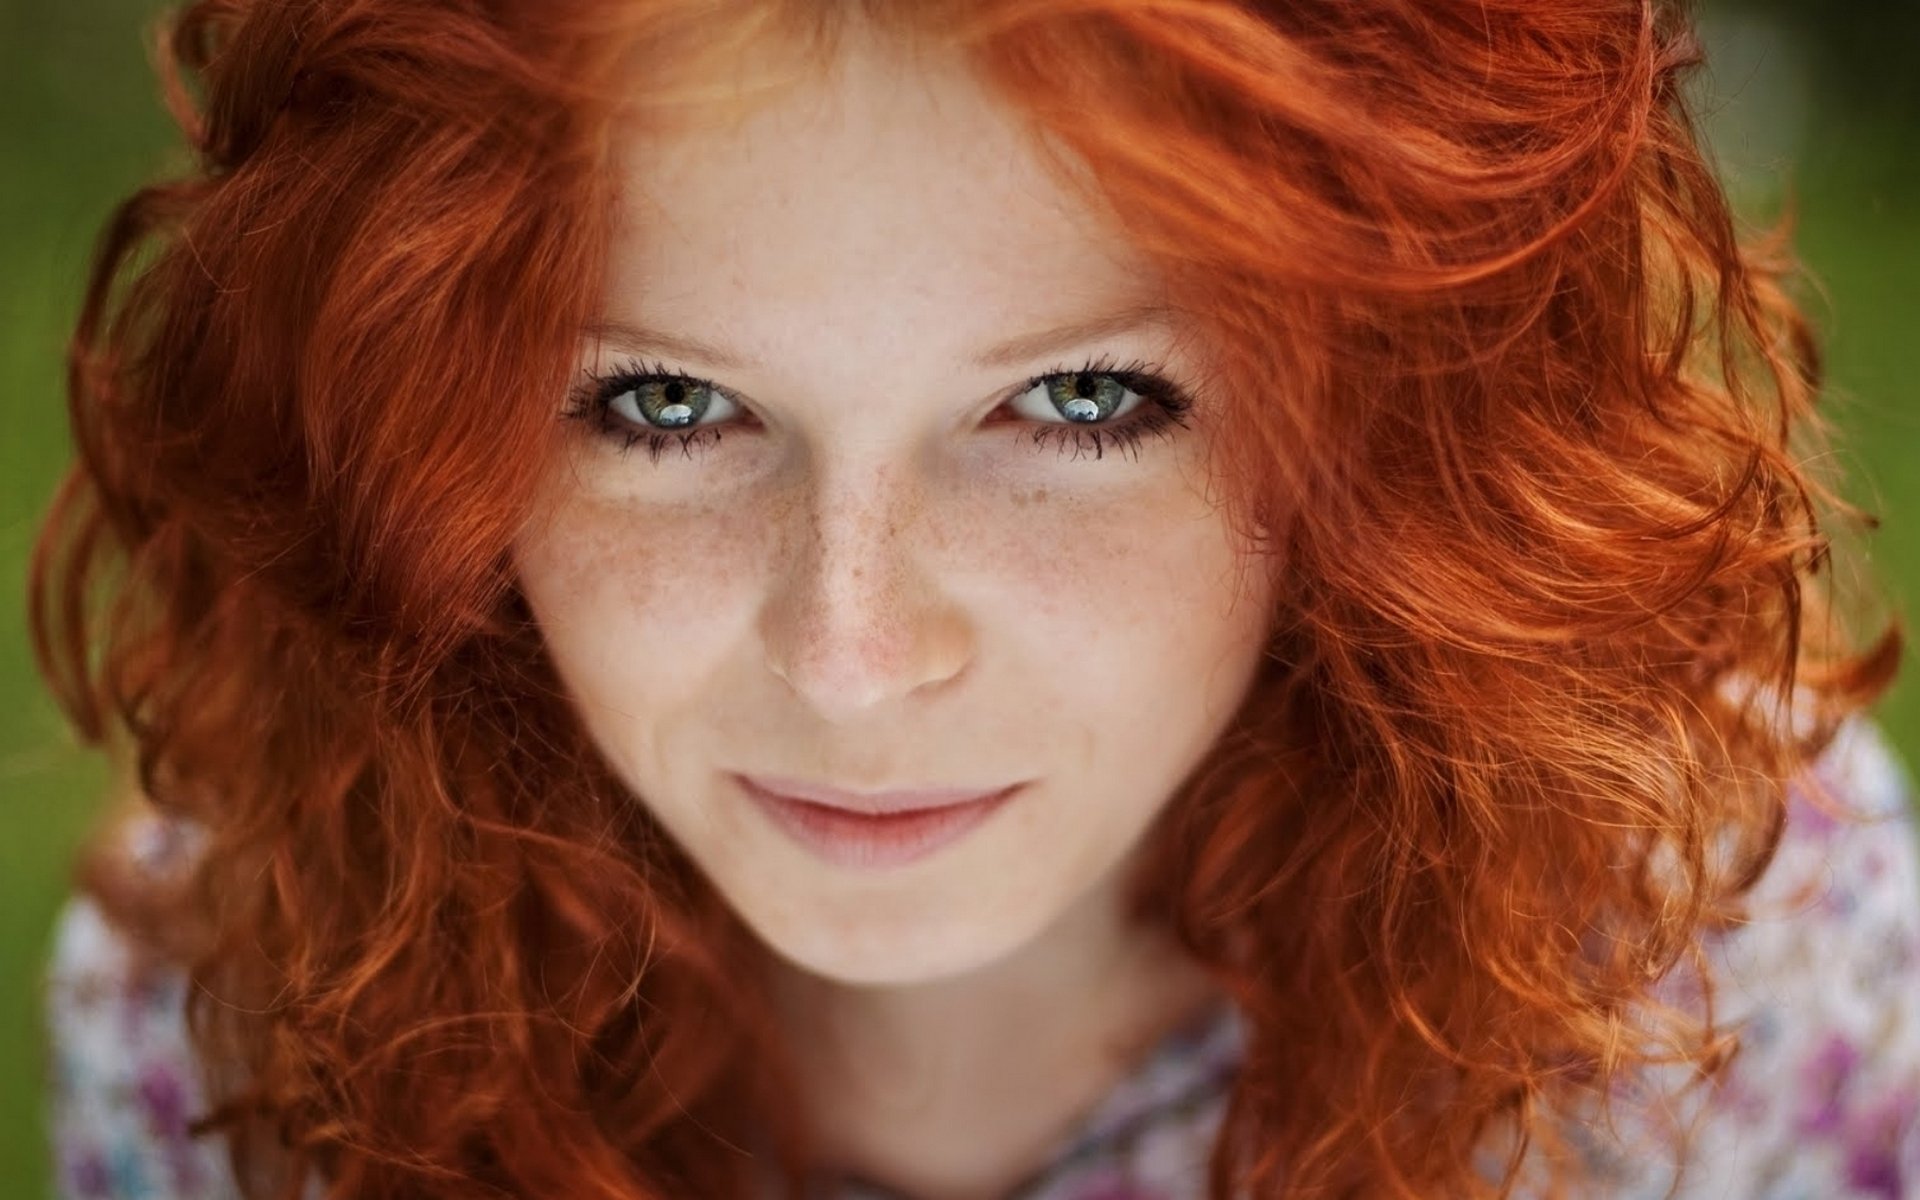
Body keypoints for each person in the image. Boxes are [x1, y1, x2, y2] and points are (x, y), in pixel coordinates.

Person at [29, 0, 1920, 1197]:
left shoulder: (1735, 945)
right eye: (663, 404)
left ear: (1389, 420)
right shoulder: (240, 1026)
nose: (852, 657)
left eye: (1085, 400)